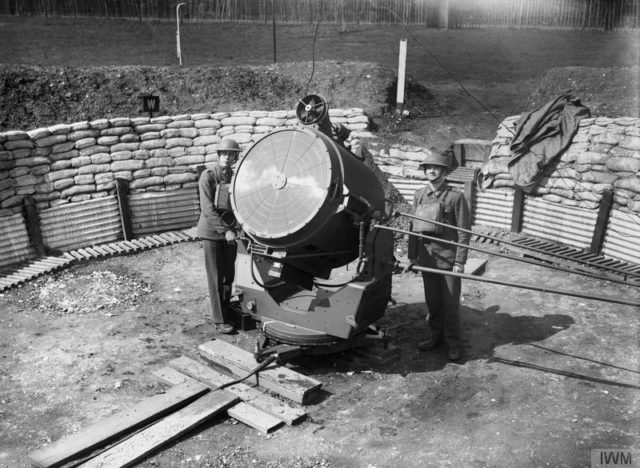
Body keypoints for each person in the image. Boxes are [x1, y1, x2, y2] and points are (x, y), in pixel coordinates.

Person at [407, 151, 471, 361]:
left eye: (436, 168)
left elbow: (464, 231)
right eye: (428, 168)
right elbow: (413, 229)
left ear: (444, 172)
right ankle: (436, 338)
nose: (431, 171)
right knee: (433, 303)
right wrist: (413, 257)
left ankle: (454, 344)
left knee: (450, 304)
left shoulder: (455, 196)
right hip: (427, 259)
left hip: (448, 259)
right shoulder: (419, 195)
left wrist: (460, 261)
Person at [196, 138, 242, 334]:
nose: (226, 157)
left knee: (228, 276)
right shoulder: (208, 177)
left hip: (229, 234)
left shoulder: (235, 176)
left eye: (230, 154)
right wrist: (226, 230)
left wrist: (238, 228)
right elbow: (207, 209)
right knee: (216, 277)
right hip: (213, 234)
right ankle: (219, 319)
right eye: (223, 153)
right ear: (218, 156)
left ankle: (226, 311)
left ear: (234, 157)